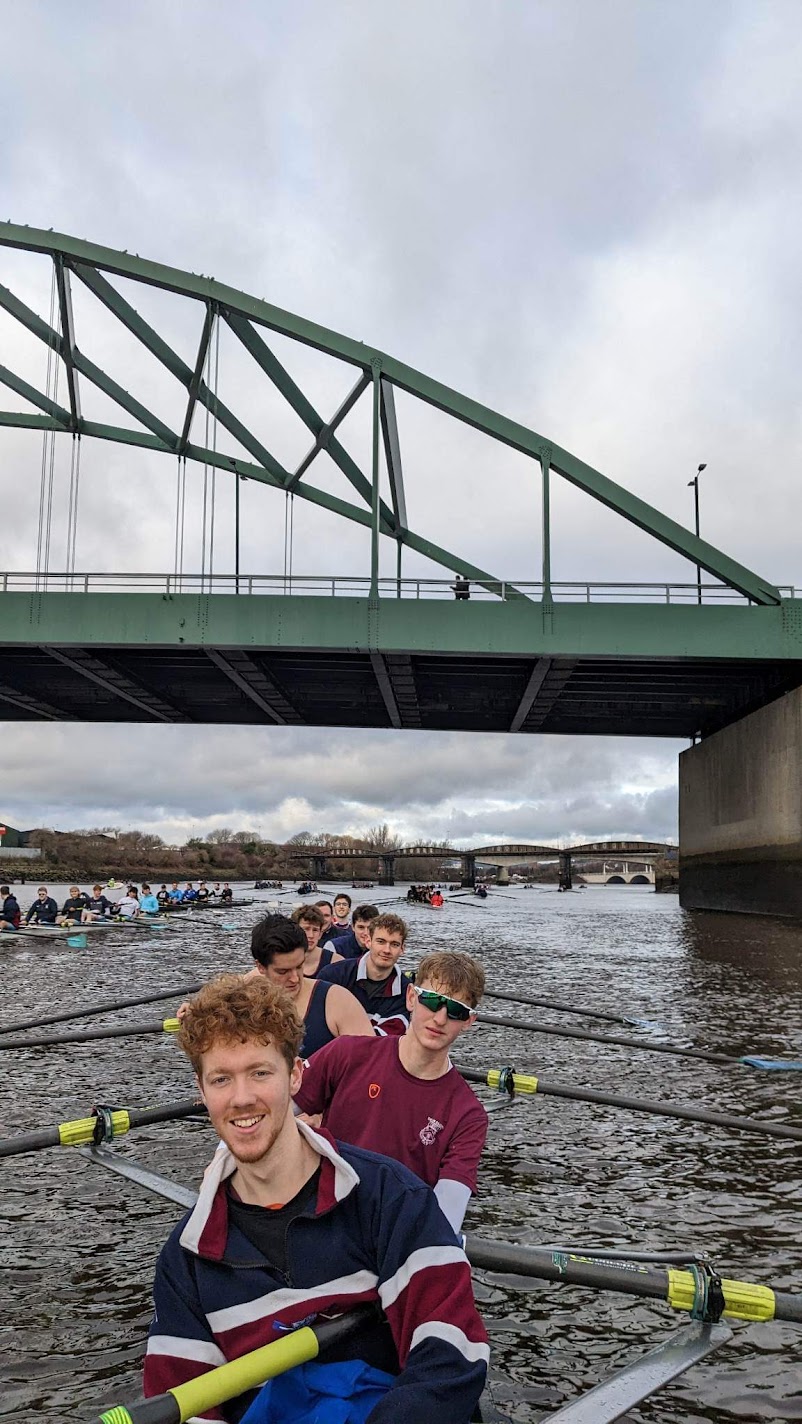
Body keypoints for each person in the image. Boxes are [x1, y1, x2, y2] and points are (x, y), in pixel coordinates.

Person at [143, 976, 488, 1423]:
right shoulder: (185, 1259)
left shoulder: (392, 1198)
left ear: (296, 1075)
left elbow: (451, 1349)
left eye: (260, 1072)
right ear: (201, 1091)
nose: (242, 1098)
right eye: (222, 1079)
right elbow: (186, 1407)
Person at [295, 952, 488, 1234]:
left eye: (455, 1010)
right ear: (411, 997)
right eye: (431, 1001)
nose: (440, 1018)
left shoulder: (469, 1117)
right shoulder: (347, 1053)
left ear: (469, 1021)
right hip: (323, 1220)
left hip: (389, 1239)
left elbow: (445, 1219)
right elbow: (271, 1113)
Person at [249, 916, 373, 1056]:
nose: (295, 979)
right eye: (283, 971)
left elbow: (371, 1062)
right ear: (261, 967)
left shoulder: (337, 1001)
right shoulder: (242, 1003)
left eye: (300, 966)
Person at [318, 914, 413, 1036]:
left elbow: (383, 1041)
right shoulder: (333, 975)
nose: (387, 950)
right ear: (368, 941)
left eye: (394, 944)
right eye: (381, 942)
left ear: (402, 949)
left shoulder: (406, 992)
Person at [291, 904, 343, 978]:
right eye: (306, 929)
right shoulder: (283, 961)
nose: (311, 935)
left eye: (315, 930)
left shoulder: (336, 962)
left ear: (320, 933)